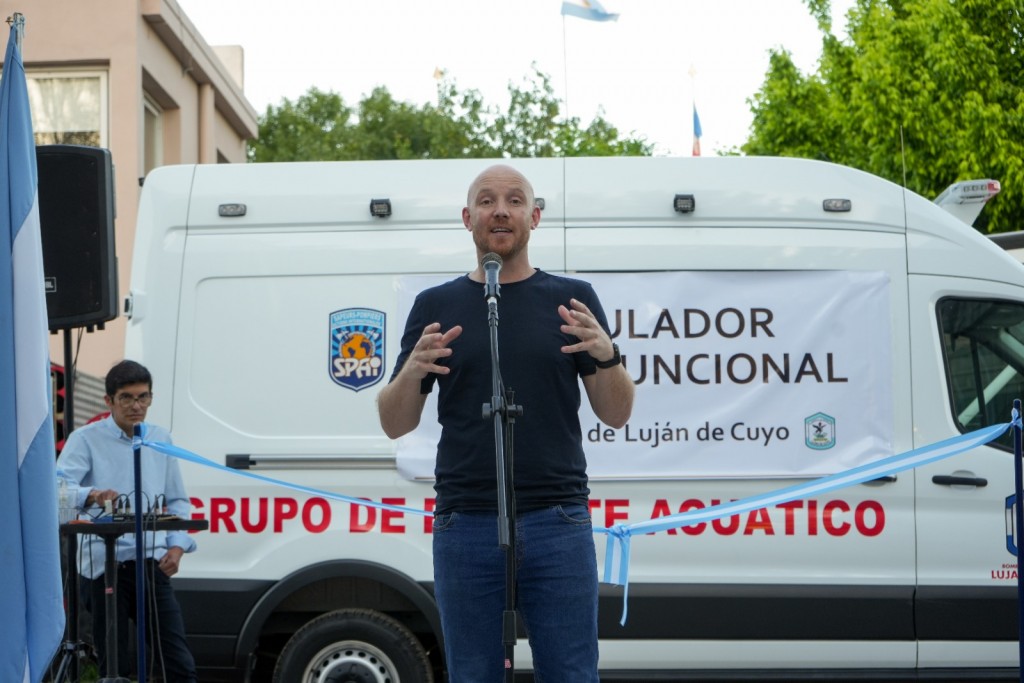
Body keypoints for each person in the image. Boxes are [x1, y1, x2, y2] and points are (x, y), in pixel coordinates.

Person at [377, 164, 635, 681]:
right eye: (488, 200)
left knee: (571, 673)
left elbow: (617, 412)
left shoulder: (572, 300)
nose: (501, 209)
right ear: (467, 217)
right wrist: (411, 371)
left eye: (515, 200)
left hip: (557, 520)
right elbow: (394, 422)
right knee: (473, 673)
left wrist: (608, 355)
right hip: (465, 521)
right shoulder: (436, 305)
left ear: (535, 217)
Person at [56, 359, 198, 682]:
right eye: (127, 398)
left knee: (178, 663)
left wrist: (177, 547)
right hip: (103, 565)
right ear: (109, 401)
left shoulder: (159, 438)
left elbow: (178, 500)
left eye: (143, 397)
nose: (137, 406)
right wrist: (90, 495)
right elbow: (55, 488)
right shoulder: (86, 439)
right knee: (116, 668)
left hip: (149, 564)